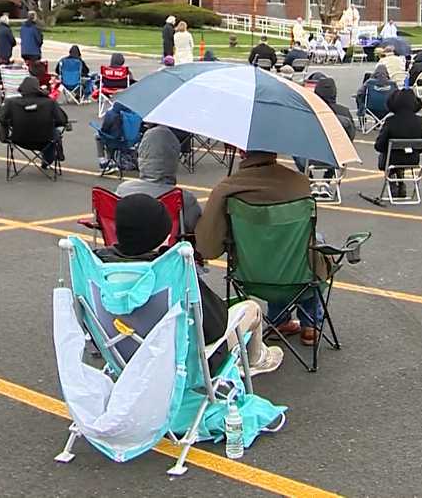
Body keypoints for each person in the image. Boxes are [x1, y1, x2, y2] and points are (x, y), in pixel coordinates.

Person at [95, 193, 283, 376]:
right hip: (182, 365)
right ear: (160, 234)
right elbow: (216, 325)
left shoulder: (99, 266)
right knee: (251, 308)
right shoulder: (172, 271)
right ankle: (256, 360)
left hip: (123, 354)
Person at [194, 150, 331, 346]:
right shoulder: (300, 183)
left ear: (242, 153)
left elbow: (207, 246)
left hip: (250, 276)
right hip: (298, 277)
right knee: (312, 243)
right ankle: (310, 324)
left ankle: (278, 320)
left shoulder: (226, 188)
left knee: (269, 249)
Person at [116, 126, 202, 234]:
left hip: (126, 247)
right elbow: (197, 231)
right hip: (168, 249)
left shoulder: (123, 190)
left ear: (142, 154)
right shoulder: (184, 198)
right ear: (173, 158)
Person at [0, 76, 69, 168]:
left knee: (53, 134)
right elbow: (62, 120)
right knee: (55, 134)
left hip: (19, 139)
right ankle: (48, 160)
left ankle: (47, 160)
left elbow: (2, 119)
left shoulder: (11, 103)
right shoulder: (49, 102)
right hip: (45, 139)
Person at [374, 88, 422, 197]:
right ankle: (400, 178)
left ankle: (394, 179)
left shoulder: (391, 121)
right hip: (413, 159)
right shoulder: (420, 121)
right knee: (402, 154)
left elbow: (379, 146)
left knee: (387, 156)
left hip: (391, 159)